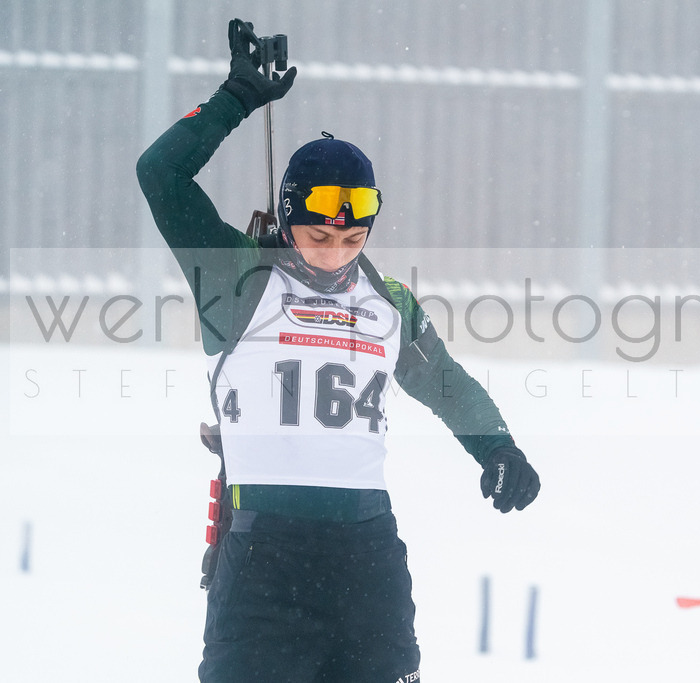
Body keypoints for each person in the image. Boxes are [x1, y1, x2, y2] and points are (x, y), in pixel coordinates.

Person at [136, 18, 540, 683]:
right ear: (288, 216)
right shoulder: (235, 278)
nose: (337, 245)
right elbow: (161, 175)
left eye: (353, 234)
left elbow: (444, 381)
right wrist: (234, 100)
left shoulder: (388, 302)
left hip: (367, 564)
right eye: (319, 231)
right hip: (263, 568)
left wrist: (498, 448)